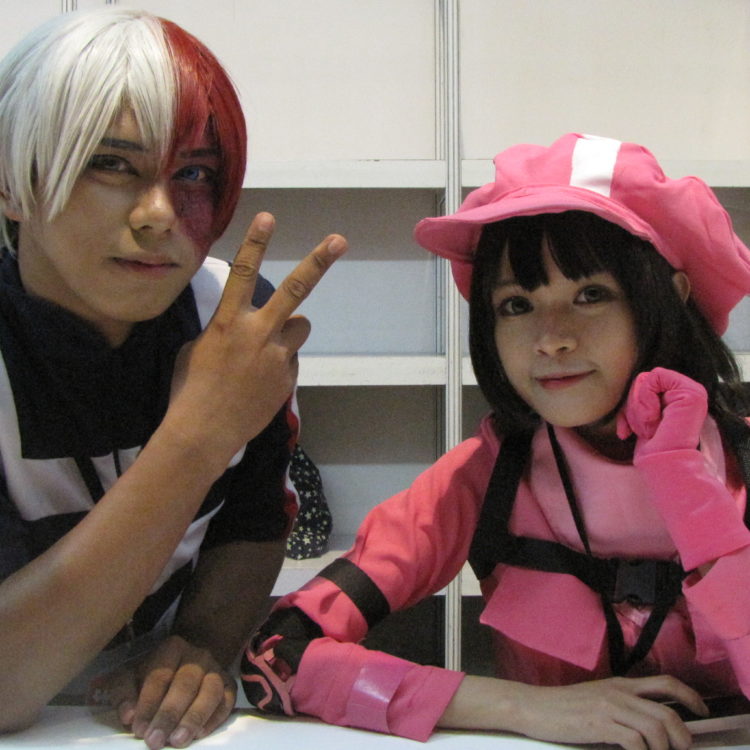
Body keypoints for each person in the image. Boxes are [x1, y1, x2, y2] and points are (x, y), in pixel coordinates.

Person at [242, 133, 750, 750]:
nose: (551, 338)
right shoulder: (485, 476)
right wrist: (525, 707)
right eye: (516, 304)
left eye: (591, 295)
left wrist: (686, 489)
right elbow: (276, 656)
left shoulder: (741, 462)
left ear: (670, 299)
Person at [0, 8, 347, 750]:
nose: (159, 215)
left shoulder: (233, 317)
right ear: (11, 182)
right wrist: (198, 436)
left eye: (193, 173)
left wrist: (200, 644)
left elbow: (253, 521)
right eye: (110, 163)